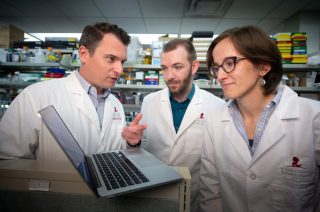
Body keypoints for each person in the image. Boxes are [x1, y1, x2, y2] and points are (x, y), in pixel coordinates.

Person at [199, 25, 320, 212]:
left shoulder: (313, 118)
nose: (220, 76)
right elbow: (210, 195)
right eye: (216, 68)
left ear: (263, 66)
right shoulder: (215, 120)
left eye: (230, 63)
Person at [0, 22, 146, 160]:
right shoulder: (35, 96)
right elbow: (8, 158)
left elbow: (116, 151)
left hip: (110, 185)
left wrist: (131, 143)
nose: (119, 70)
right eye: (111, 59)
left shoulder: (115, 104)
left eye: (122, 62)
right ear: (84, 54)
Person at [139, 39, 224, 212]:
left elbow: (219, 166)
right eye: (164, 68)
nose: (169, 75)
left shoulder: (217, 107)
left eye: (177, 67)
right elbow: (142, 149)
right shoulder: (149, 102)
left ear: (194, 67)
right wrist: (133, 143)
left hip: (194, 200)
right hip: (153, 194)